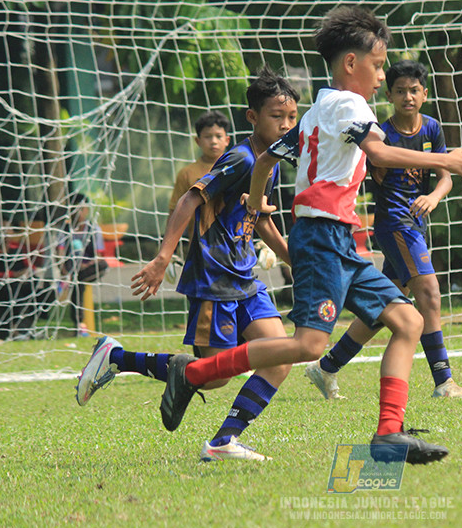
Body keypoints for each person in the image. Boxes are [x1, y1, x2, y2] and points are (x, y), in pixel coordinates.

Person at [157, 5, 462, 465]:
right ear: (351, 63)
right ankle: (193, 374)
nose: (382, 75)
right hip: (322, 237)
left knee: (408, 322)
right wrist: (445, 161)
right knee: (309, 344)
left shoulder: (314, 113)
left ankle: (389, 434)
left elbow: (266, 160)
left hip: (336, 240)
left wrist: (255, 203)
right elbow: (379, 153)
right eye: (378, 64)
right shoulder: (350, 105)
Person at [75, 67, 298, 462]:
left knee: (280, 357)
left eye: (292, 117)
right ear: (253, 117)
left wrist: (291, 259)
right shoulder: (241, 158)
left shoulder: (271, 161)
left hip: (244, 276)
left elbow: (259, 216)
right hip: (214, 278)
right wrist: (163, 257)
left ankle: (223, 441)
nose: (285, 125)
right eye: (276, 116)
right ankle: (116, 357)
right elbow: (190, 199)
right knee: (214, 376)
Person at [304, 60, 462, 400]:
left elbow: (445, 178)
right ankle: (444, 381)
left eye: (414, 90)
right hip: (394, 223)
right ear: (390, 96)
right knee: (429, 292)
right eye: (400, 91)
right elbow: (373, 163)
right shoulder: (379, 134)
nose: (407, 97)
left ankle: (327, 366)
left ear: (425, 94)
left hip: (416, 223)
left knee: (385, 306)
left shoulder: (431, 128)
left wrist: (433, 197)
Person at [0, 210, 56, 341]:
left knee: (45, 291)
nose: (6, 232)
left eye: (8, 229)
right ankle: (16, 331)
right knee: (18, 291)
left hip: (20, 285)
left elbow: (30, 266)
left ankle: (25, 329)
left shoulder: (17, 248)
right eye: (3, 229)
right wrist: (13, 275)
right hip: (1, 289)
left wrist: (30, 272)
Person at [59, 193, 108, 337]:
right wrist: (64, 270)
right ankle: (79, 324)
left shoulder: (93, 229)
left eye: (81, 209)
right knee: (77, 282)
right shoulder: (64, 230)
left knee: (101, 266)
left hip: (88, 268)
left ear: (86, 210)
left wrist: (87, 265)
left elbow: (99, 255)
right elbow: (59, 253)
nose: (78, 213)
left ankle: (79, 324)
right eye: (74, 209)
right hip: (71, 268)